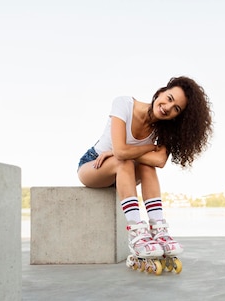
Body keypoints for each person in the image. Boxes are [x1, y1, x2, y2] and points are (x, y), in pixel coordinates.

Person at [77, 76, 213, 260]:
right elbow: (120, 152)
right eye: (170, 98)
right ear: (161, 92)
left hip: (127, 174)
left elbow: (159, 161)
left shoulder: (164, 129)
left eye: (176, 109)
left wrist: (125, 152)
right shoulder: (123, 104)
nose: (168, 108)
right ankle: (136, 231)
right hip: (94, 166)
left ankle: (158, 229)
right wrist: (147, 147)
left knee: (146, 165)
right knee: (123, 161)